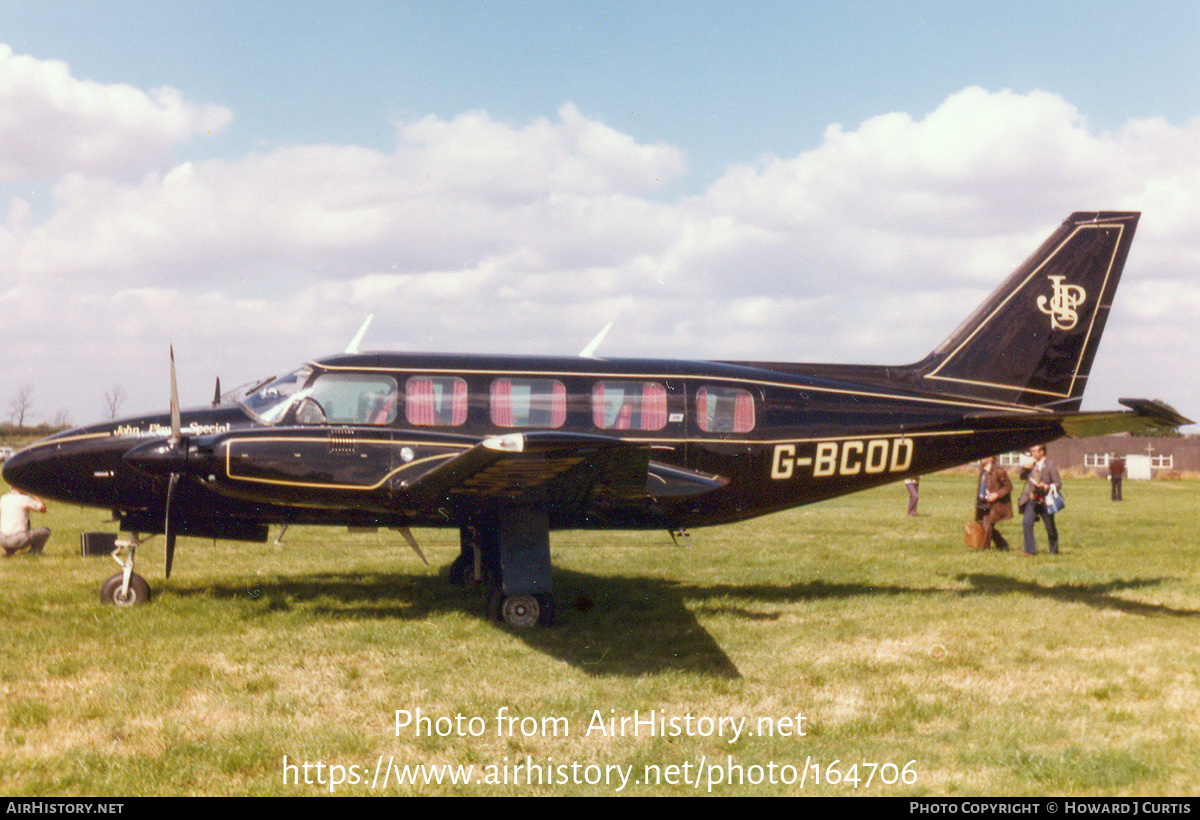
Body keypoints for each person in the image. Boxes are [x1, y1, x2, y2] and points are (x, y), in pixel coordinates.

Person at [1018, 444, 1062, 555]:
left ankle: (1053, 550)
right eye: (1031, 451)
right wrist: (1024, 468)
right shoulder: (1031, 465)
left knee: (1050, 527)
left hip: (1045, 500)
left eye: (1035, 451)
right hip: (1032, 499)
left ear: (1042, 452)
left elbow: (1058, 484)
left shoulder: (1050, 465)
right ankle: (1030, 551)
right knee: (1026, 523)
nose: (1032, 453)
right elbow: (1022, 477)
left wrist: (1046, 486)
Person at [974, 456, 1012, 549]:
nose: (982, 458)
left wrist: (996, 495)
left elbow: (1008, 487)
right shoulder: (982, 470)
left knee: (987, 524)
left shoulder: (999, 471)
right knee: (982, 523)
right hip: (982, 502)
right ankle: (1002, 544)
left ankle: (985, 549)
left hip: (994, 504)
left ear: (991, 458)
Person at [1, 488, 50, 556]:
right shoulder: (25, 499)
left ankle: (9, 552)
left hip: (2, 539)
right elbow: (44, 509)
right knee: (46, 531)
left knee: (24, 523)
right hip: (16, 540)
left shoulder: (3, 498)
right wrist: (35, 494)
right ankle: (34, 553)